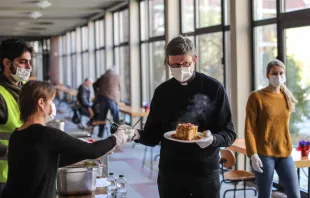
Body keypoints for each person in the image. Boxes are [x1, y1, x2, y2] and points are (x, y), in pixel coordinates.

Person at [116, 36, 236, 198]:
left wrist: (212, 139)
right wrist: (134, 134)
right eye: (175, 65)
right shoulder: (162, 92)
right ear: (167, 62)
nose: (181, 68)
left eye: (186, 64)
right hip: (171, 172)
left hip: (204, 172)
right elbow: (152, 136)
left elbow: (229, 134)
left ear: (194, 59)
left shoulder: (214, 88)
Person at [2, 80, 133, 198]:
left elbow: (52, 160)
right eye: (51, 101)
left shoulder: (16, 135)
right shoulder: (47, 134)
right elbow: (92, 150)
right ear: (41, 103)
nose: (53, 105)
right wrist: (117, 138)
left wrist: (88, 152)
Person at [245, 59, 300, 198]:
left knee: (295, 194)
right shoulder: (256, 97)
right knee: (265, 195)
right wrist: (253, 154)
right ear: (267, 75)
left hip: (285, 153)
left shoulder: (286, 96)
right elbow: (249, 128)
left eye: (281, 73)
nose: (278, 76)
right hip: (263, 154)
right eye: (274, 73)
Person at [0, 38, 33, 196]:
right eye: (22, 62)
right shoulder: (0, 95)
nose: (28, 67)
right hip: (3, 178)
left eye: (29, 62)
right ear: (7, 63)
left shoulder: (24, 92)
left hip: (22, 174)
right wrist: (15, 153)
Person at [93, 68, 121, 138]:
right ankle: (116, 135)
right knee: (115, 117)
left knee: (102, 117)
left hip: (102, 98)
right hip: (112, 99)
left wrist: (96, 93)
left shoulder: (103, 76)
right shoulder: (117, 76)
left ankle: (100, 134)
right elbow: (119, 87)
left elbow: (94, 84)